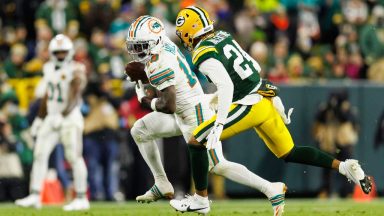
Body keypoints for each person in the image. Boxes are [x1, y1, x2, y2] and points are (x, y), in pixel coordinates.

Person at [170, 6, 372, 214]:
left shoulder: (202, 53)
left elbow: (227, 86)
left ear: (188, 31)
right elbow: (255, 68)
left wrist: (220, 122)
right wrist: (217, 98)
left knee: (197, 141)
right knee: (290, 151)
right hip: (264, 99)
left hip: (250, 105)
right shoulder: (223, 36)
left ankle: (200, 199)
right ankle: (344, 166)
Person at [125, 16, 286, 215]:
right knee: (140, 130)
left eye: (142, 46)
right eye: (135, 46)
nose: (137, 51)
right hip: (183, 112)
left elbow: (169, 105)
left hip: (194, 113)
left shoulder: (159, 63)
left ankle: (271, 188)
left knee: (217, 165)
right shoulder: (163, 45)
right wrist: (147, 76)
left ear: (155, 41)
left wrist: (144, 100)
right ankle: (162, 183)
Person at [15, 34, 89, 211]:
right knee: (40, 154)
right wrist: (40, 119)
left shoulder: (76, 68)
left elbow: (75, 93)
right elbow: (47, 95)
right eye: (58, 52)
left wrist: (62, 114)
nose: (61, 55)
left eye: (64, 52)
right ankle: (35, 195)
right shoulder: (48, 68)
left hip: (70, 117)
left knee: (74, 156)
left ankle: (81, 197)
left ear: (70, 52)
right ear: (51, 53)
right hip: (52, 116)